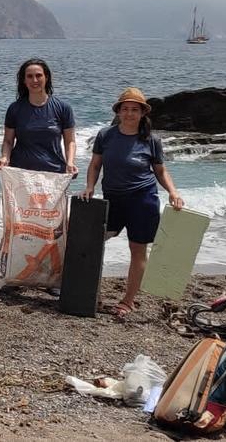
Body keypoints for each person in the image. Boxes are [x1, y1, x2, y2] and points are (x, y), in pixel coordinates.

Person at [80, 88, 183, 319]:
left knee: (138, 250)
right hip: (112, 199)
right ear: (119, 112)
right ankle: (88, 291)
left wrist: (173, 192)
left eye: (134, 110)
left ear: (142, 113)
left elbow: (160, 170)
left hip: (142, 200)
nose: (129, 114)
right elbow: (95, 165)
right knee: (93, 242)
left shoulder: (151, 140)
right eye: (125, 109)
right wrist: (90, 187)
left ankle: (128, 300)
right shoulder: (106, 135)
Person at [0, 58, 77, 176]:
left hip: (54, 173)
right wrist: (4, 157)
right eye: (29, 76)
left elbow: (70, 142)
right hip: (20, 173)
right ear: (24, 80)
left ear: (46, 77)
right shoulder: (15, 109)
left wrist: (70, 162)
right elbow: (8, 141)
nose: (34, 80)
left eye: (39, 75)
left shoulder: (63, 108)